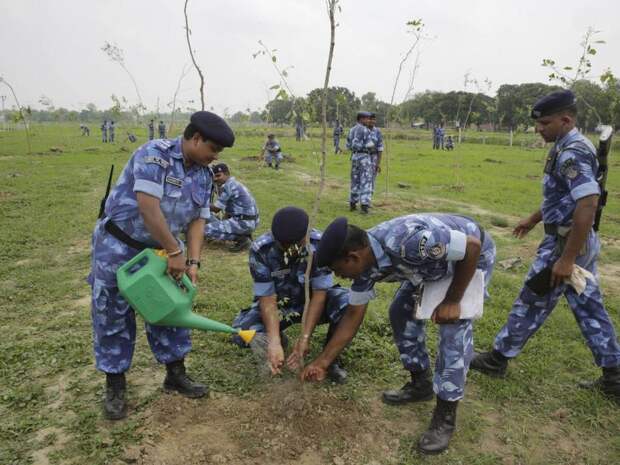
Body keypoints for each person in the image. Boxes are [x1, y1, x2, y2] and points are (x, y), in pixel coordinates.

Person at [470, 89, 620, 402]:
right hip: (571, 239)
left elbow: (588, 204)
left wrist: (566, 259)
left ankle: (497, 359)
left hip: (567, 243)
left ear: (566, 120)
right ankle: (615, 375)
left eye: (545, 123)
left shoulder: (572, 152)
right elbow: (563, 196)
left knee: (532, 298)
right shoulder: (564, 146)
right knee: (589, 306)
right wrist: (535, 218)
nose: (539, 129)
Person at [301, 214, 496, 454]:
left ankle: (445, 417)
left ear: (353, 257)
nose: (340, 278)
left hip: (468, 259)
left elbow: (471, 247)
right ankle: (420, 383)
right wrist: (322, 362)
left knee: (452, 330)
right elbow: (353, 315)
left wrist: (453, 300)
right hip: (428, 266)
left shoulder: (409, 242)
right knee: (400, 312)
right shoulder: (364, 264)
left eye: (339, 271)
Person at [88, 111, 235, 420]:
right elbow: (148, 207)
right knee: (112, 313)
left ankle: (175, 374)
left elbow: (198, 220)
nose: (214, 157)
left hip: (162, 253)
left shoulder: (204, 174)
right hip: (119, 247)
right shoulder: (155, 155)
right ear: (196, 138)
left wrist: (192, 261)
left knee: (169, 309)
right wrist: (174, 250)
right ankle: (115, 385)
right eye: (213, 150)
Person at [231, 206, 350, 384]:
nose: (290, 250)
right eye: (284, 245)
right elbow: (268, 299)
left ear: (305, 235)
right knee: (242, 333)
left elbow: (319, 295)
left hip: (312, 305)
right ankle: (280, 339)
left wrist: (305, 337)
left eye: (296, 244)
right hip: (281, 307)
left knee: (346, 302)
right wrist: (273, 340)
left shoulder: (319, 245)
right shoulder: (261, 250)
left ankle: (330, 358)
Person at [205, 163, 259, 252]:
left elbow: (216, 208)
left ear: (227, 174)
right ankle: (244, 234)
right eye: (214, 176)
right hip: (250, 221)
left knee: (205, 230)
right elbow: (229, 211)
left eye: (218, 175)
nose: (215, 179)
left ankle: (241, 239)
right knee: (217, 223)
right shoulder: (234, 183)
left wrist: (200, 204)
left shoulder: (228, 186)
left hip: (244, 223)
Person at [347, 111, 374, 214]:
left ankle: (352, 204)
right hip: (364, 157)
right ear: (361, 119)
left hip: (354, 157)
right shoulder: (365, 130)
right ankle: (364, 206)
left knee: (355, 180)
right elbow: (370, 145)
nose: (368, 121)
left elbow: (348, 145)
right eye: (367, 119)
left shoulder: (351, 130)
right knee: (366, 180)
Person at [367, 113, 384, 192]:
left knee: (372, 179)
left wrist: (378, 163)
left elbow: (380, 148)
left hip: (374, 158)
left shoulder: (378, 132)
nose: (372, 121)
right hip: (363, 157)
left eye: (373, 119)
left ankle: (368, 199)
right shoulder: (363, 130)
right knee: (363, 179)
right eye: (370, 119)